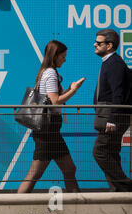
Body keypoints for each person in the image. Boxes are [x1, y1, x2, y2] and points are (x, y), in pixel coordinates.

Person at [18, 40, 85, 193]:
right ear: (55, 56)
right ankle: (13, 208)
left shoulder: (46, 72)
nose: (65, 59)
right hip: (48, 132)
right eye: (63, 56)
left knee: (69, 168)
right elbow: (54, 102)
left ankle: (76, 207)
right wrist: (73, 90)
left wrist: (68, 89)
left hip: (51, 132)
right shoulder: (51, 73)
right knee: (34, 174)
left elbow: (52, 98)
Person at [92, 29, 132, 192]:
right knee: (111, 153)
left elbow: (118, 93)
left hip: (112, 116)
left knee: (100, 151)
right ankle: (118, 191)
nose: (95, 44)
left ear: (109, 45)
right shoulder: (110, 62)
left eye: (99, 43)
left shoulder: (114, 63)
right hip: (109, 114)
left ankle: (126, 184)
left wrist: (112, 119)